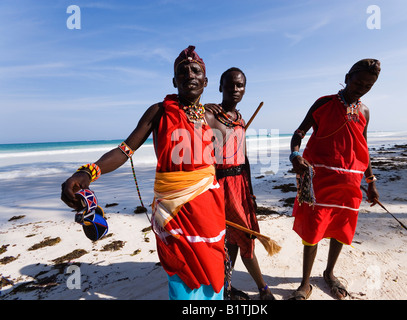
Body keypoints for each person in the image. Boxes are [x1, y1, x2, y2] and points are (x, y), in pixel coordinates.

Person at [61, 46, 227, 300]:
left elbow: (222, 165)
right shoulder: (159, 112)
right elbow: (124, 150)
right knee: (182, 281)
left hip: (210, 212)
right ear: (174, 80)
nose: (190, 75)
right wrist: (87, 173)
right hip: (174, 214)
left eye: (196, 70)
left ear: (206, 81)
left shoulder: (212, 117)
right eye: (183, 71)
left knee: (213, 277)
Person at [289, 59, 381, 300]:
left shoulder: (365, 111)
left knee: (341, 229)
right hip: (319, 177)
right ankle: (305, 283)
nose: (362, 88)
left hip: (350, 181)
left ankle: (329, 273)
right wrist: (295, 154)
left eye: (368, 85)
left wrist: (371, 181)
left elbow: (364, 146)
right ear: (347, 76)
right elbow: (299, 133)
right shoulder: (324, 103)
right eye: (358, 82)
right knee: (314, 229)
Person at [204, 68, 274, 300]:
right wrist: (202, 107)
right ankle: (263, 289)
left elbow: (244, 159)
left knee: (235, 237)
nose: (235, 90)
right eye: (230, 85)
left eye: (240, 85)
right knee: (243, 236)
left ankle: (226, 285)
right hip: (219, 185)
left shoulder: (240, 119)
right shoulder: (210, 116)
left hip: (240, 185)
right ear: (220, 86)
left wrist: (251, 193)